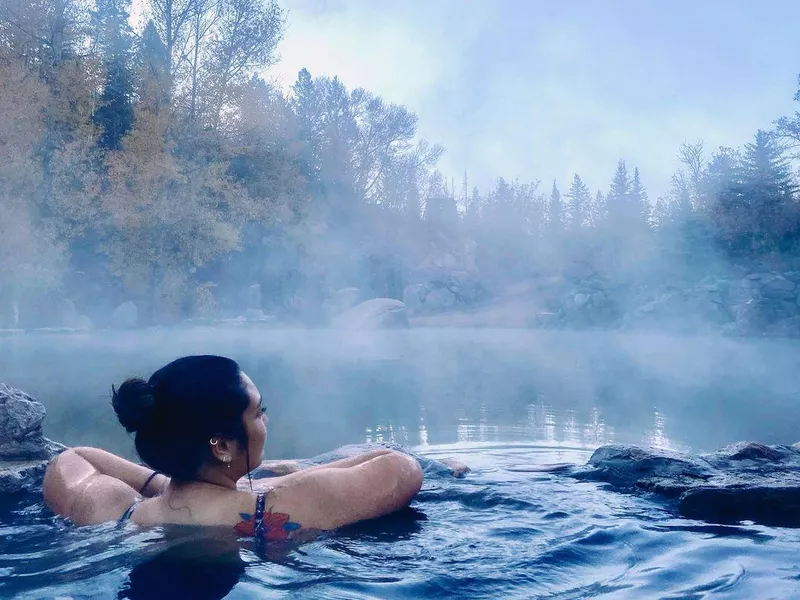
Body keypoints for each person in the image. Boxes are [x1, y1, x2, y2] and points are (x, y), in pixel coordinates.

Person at [43, 355, 425, 543]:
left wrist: (169, 484)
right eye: (259, 412)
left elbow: (73, 458)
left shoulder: (113, 510)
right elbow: (400, 467)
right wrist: (279, 479)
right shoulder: (277, 506)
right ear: (223, 445)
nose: (266, 420)